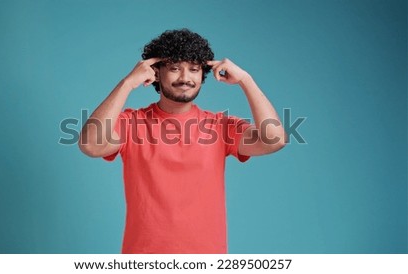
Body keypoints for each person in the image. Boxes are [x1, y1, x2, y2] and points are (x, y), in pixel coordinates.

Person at [79, 29, 286, 254]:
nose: (185, 78)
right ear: (156, 72)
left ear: (202, 75)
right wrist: (127, 83)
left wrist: (246, 80)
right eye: (175, 68)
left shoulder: (220, 126)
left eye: (194, 69)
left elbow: (274, 140)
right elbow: (90, 145)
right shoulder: (131, 123)